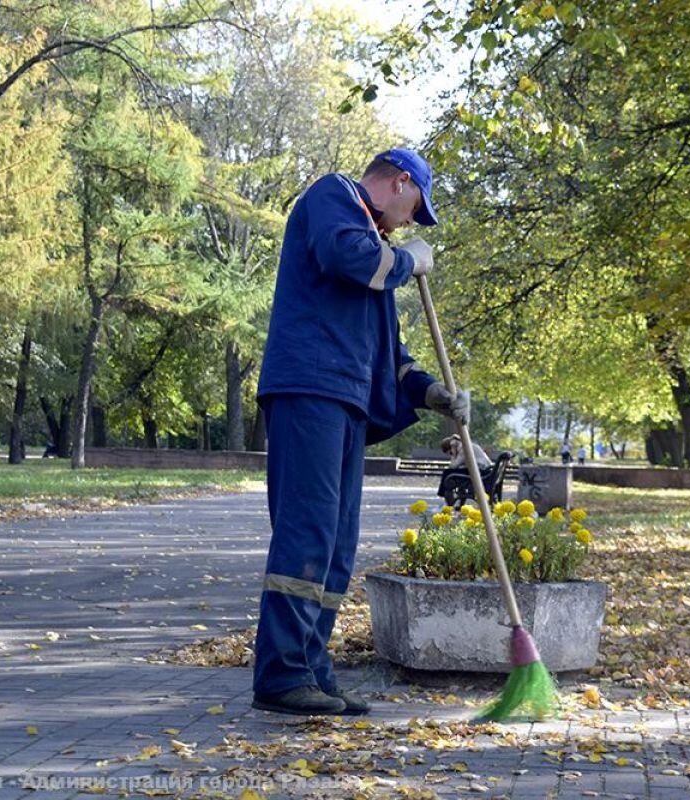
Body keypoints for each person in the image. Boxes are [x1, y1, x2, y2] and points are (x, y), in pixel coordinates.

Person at [253, 148, 468, 717]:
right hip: (309, 388)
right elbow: (348, 258)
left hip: (343, 399)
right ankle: (281, 674)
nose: (408, 225)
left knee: (337, 543)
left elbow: (389, 356)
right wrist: (408, 262)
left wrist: (432, 394)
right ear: (399, 183)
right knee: (308, 532)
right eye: (414, 211)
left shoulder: (374, 246)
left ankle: (311, 669)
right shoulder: (334, 197)